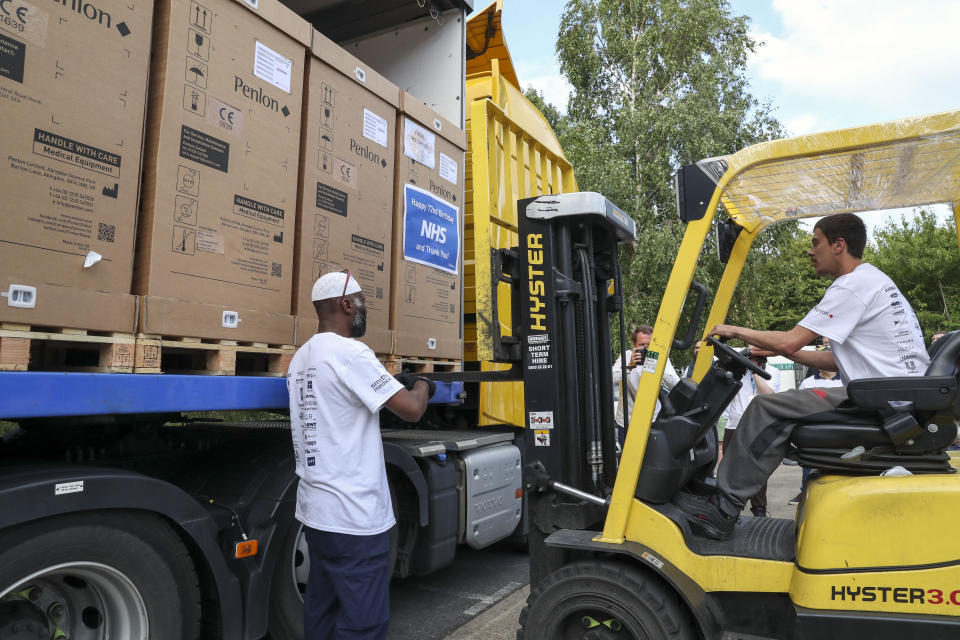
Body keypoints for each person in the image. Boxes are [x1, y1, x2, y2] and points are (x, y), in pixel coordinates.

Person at [674, 213, 929, 541]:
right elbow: (830, 359)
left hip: (883, 402)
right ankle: (723, 495)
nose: (810, 251)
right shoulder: (871, 281)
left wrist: (732, 329)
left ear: (839, 245)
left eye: (815, 243)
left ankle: (723, 507)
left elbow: (792, 339)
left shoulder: (852, 286)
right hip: (889, 395)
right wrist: (775, 352)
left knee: (766, 409)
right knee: (780, 406)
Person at [288, 271, 431, 639]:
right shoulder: (351, 354)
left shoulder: (301, 358)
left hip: (318, 514)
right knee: (363, 623)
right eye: (363, 300)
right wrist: (425, 381)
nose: (365, 308)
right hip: (354, 517)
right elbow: (412, 409)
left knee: (322, 609)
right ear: (347, 305)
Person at [720, 351, 780, 517]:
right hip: (734, 425)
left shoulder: (773, 371)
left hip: (758, 426)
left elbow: (768, 395)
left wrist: (756, 371)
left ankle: (759, 508)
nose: (754, 354)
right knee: (731, 469)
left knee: (757, 470)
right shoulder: (737, 369)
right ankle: (730, 509)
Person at [613, 325, 681, 447]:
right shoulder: (627, 356)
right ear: (634, 344)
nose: (646, 349)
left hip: (654, 421)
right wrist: (630, 366)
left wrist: (659, 363)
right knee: (628, 461)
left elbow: (675, 383)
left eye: (649, 345)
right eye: (642, 345)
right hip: (627, 421)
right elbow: (611, 378)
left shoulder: (660, 357)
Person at [788, 359, 844, 505]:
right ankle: (805, 490)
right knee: (810, 461)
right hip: (815, 428)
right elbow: (800, 405)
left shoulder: (845, 381)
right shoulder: (808, 382)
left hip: (839, 428)